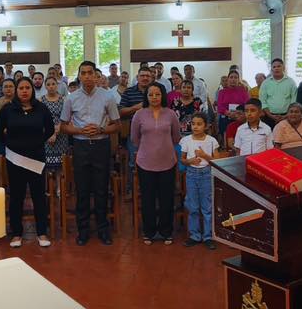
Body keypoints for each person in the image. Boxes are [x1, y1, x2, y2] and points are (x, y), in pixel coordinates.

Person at [60, 61, 121, 246]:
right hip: (80, 147)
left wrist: (102, 129)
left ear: (96, 76)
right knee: (83, 190)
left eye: (90, 73)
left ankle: (103, 230)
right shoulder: (71, 98)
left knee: (102, 189)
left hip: (101, 146)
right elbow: (63, 126)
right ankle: (83, 231)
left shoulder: (107, 96)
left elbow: (117, 125)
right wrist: (79, 131)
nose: (87, 76)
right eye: (83, 73)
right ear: (79, 76)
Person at [0, 78, 55, 248]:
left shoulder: (41, 108)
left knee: (38, 196)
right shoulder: (8, 109)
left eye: (27, 87)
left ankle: (41, 232)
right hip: (15, 159)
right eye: (21, 88)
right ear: (16, 90)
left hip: (36, 158)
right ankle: (17, 234)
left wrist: (37, 141)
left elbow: (49, 129)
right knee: (16, 197)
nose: (24, 91)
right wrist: (11, 142)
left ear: (32, 90)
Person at [131, 82, 181, 245]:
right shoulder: (139, 114)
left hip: (168, 161)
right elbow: (134, 138)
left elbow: (176, 137)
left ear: (163, 95)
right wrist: (148, 149)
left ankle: (166, 231)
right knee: (148, 198)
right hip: (145, 162)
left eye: (157, 94)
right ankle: (149, 231)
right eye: (151, 94)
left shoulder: (171, 114)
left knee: (167, 198)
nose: (154, 97)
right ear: (146, 97)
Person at [179, 114, 219, 250]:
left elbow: (217, 161)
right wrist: (190, 161)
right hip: (191, 174)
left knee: (207, 207)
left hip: (206, 174)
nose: (195, 126)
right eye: (193, 123)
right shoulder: (186, 140)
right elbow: (183, 159)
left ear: (206, 126)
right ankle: (195, 235)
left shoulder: (211, 140)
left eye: (199, 124)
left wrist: (204, 156)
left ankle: (208, 236)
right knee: (193, 206)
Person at [259, 59, 296, 126]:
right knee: (270, 136)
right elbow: (262, 101)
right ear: (271, 69)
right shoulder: (265, 83)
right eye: (274, 67)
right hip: (269, 117)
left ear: (283, 67)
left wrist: (286, 116)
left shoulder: (291, 82)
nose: (276, 69)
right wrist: (270, 115)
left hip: (287, 116)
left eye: (279, 66)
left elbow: (293, 101)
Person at [215, 71, 250, 136]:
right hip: (225, 118)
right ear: (228, 79)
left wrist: (238, 114)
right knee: (226, 140)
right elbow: (219, 106)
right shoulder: (222, 92)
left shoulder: (243, 91)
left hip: (240, 119)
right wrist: (228, 113)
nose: (233, 79)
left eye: (235, 77)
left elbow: (247, 105)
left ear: (238, 80)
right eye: (231, 77)